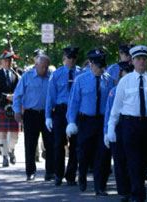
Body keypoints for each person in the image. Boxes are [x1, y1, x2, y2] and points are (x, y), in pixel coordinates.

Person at [106, 45, 147, 201]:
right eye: (138, 59)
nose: (142, 62)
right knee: (133, 160)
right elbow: (116, 106)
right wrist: (111, 126)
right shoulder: (125, 81)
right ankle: (137, 194)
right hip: (130, 124)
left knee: (144, 162)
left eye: (144, 59)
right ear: (133, 61)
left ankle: (134, 189)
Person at [65, 48, 114, 194]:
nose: (101, 69)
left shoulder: (109, 80)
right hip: (85, 121)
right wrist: (71, 121)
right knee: (84, 152)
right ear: (91, 64)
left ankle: (100, 186)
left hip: (102, 121)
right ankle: (82, 174)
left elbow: (112, 103)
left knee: (103, 154)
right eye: (98, 65)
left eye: (102, 65)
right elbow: (73, 102)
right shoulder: (81, 80)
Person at [45, 46, 83, 185]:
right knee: (58, 144)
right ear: (64, 58)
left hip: (76, 112)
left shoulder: (81, 73)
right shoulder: (57, 74)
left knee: (75, 145)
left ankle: (71, 175)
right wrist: (48, 116)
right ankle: (58, 174)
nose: (71, 61)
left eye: (73, 58)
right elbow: (50, 96)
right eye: (69, 58)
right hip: (61, 111)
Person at [12, 54, 51, 180]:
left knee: (50, 143)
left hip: (47, 114)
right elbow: (17, 95)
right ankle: (30, 171)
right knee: (30, 144)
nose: (44, 69)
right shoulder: (27, 77)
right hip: (31, 114)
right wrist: (17, 111)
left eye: (46, 67)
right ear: (36, 65)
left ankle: (50, 171)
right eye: (42, 67)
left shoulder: (51, 77)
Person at [104, 61, 133, 200]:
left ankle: (134, 188)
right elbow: (109, 112)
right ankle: (123, 191)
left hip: (133, 128)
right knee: (120, 162)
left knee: (133, 161)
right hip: (118, 128)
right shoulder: (114, 91)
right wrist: (107, 131)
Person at [0, 50, 21, 167]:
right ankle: (4, 156)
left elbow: (20, 90)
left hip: (14, 106)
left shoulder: (16, 74)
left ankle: (11, 150)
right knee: (2, 133)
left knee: (15, 134)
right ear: (1, 62)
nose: (8, 63)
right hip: (1, 106)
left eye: (10, 60)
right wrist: (6, 96)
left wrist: (15, 96)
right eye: (5, 61)